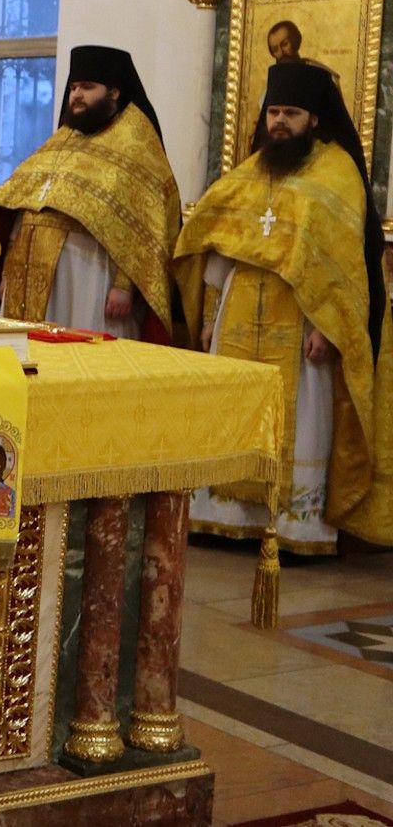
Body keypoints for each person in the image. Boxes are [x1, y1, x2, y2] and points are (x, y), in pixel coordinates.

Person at [180, 62, 393, 553]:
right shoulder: (254, 169)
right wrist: (211, 318)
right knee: (232, 409)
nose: (279, 122)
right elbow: (216, 243)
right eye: (273, 111)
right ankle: (225, 516)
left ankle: (293, 527)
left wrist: (328, 327)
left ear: (314, 118)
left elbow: (341, 265)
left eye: (290, 113)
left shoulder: (336, 172)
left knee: (302, 421)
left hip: (301, 319)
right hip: (239, 309)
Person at [0, 45, 181, 339]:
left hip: (88, 271)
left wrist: (124, 285)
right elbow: (24, 205)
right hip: (30, 270)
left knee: (79, 349)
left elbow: (143, 222)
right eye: (74, 87)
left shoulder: (136, 142)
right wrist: (9, 269)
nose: (76, 95)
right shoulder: (63, 137)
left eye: (87, 88)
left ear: (114, 92)